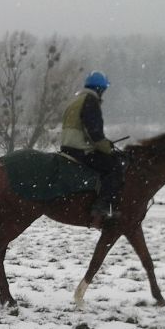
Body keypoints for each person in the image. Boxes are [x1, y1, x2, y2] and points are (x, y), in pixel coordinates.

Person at [60, 70, 125, 221]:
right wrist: (109, 149)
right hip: (81, 151)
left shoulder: (76, 101)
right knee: (115, 166)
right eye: (104, 90)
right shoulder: (91, 102)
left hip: (67, 147)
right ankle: (102, 207)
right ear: (100, 89)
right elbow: (95, 135)